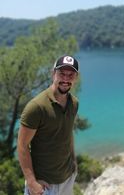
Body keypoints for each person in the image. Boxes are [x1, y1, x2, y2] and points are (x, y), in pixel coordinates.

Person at [17, 55, 79, 195]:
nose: (65, 79)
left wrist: (74, 163)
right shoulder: (36, 107)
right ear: (53, 74)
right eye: (61, 73)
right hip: (44, 185)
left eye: (70, 75)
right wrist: (32, 182)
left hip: (67, 179)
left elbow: (68, 133)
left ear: (76, 77)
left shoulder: (74, 103)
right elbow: (22, 146)